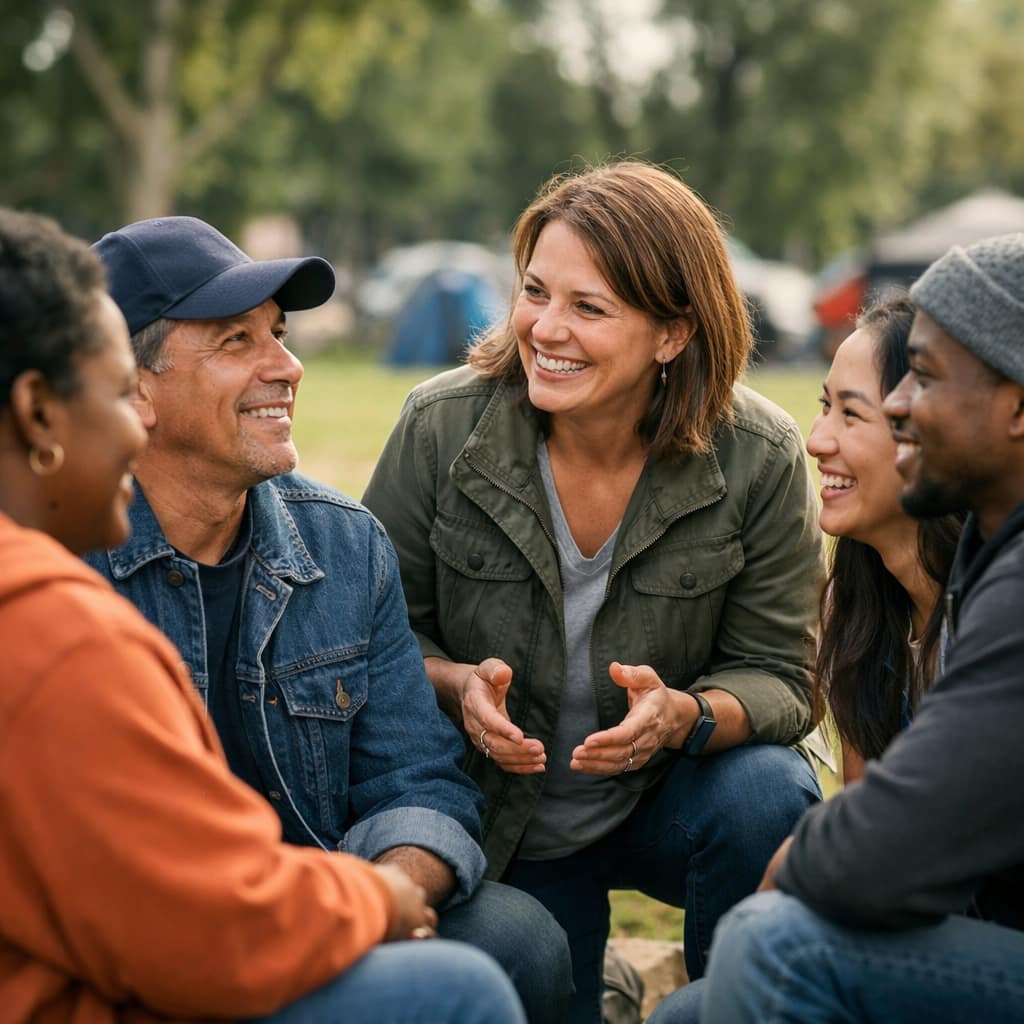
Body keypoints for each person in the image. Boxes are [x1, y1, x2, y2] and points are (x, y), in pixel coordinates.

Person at [0, 207, 526, 1023]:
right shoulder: (57, 613)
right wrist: (366, 904)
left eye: (278, 333)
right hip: (213, 937)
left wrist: (395, 884)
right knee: (462, 991)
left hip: (271, 911)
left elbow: (416, 779)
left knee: (512, 938)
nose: (288, 367)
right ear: (133, 388)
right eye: (235, 341)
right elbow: (190, 921)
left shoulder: (345, 544)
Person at [361, 161, 824, 1024]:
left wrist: (686, 714)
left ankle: (731, 1005)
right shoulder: (439, 426)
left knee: (769, 791)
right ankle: (606, 985)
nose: (546, 329)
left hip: (664, 804)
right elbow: (376, 636)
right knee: (546, 978)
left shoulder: (760, 452)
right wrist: (456, 683)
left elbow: (783, 676)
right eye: (535, 291)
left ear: (673, 335)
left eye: (590, 307)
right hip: (505, 815)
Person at [700, 232, 1024, 1023]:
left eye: (927, 380)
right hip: (970, 935)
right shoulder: (911, 590)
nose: (904, 403)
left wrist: (796, 866)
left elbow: (877, 853)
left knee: (776, 947)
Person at [807, 295, 962, 783]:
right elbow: (862, 815)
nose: (816, 440)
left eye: (850, 414)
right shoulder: (853, 607)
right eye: (825, 406)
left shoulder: (995, 611)